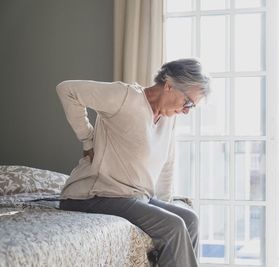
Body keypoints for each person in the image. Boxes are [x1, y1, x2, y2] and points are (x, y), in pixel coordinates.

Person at [56, 58, 210, 267]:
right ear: (169, 85)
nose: (186, 111)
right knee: (173, 226)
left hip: (137, 197)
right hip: (98, 195)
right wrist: (87, 139)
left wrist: (164, 205)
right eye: (188, 102)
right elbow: (67, 90)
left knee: (189, 219)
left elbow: (167, 165)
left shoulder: (168, 119)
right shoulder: (125, 97)